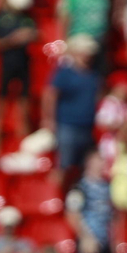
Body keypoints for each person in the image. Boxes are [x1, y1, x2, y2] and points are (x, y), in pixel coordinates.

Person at [0, 0, 39, 155]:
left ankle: (23, 152)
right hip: (3, 67)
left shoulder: (27, 19)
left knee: (23, 111)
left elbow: (37, 35)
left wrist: (32, 36)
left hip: (24, 67)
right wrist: (12, 41)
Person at [43, 35, 103, 176]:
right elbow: (50, 96)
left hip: (87, 127)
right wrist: (49, 119)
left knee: (84, 168)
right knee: (64, 166)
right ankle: (58, 196)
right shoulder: (64, 73)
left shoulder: (93, 75)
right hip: (67, 126)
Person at [66, 152, 114, 253]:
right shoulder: (80, 187)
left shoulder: (108, 187)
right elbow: (71, 214)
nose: (101, 164)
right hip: (89, 240)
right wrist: (86, 237)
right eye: (97, 161)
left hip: (104, 241)